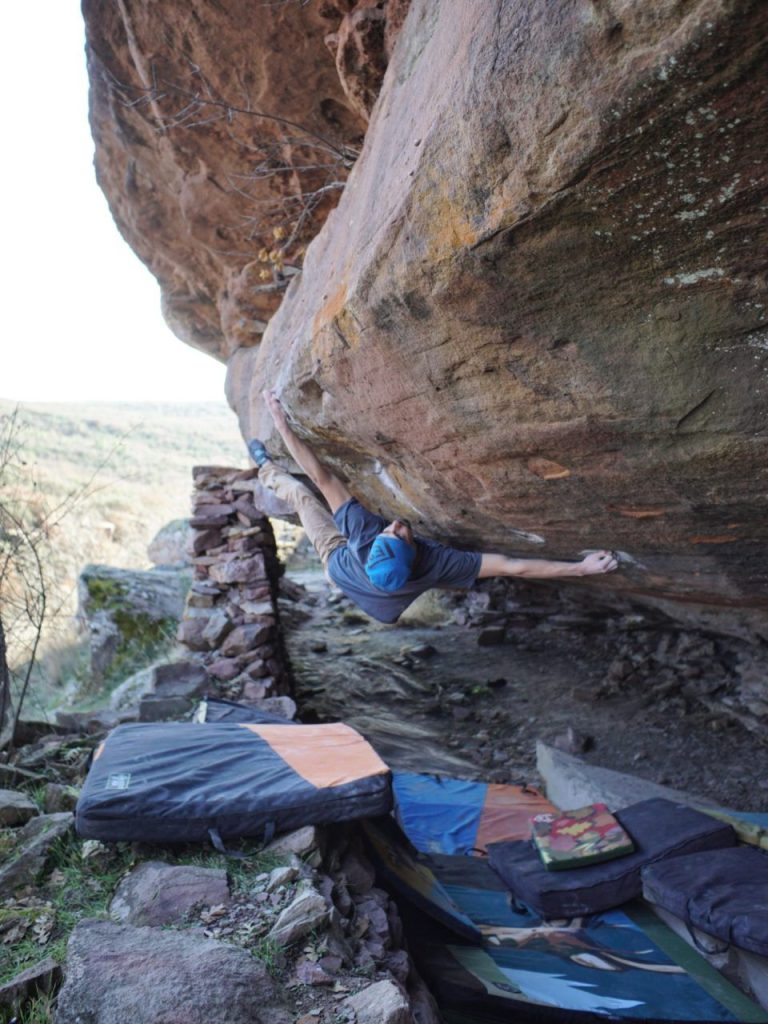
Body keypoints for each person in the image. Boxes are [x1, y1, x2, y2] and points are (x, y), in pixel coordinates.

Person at [250, 391, 618, 624]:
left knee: (302, 493)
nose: (392, 525)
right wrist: (582, 568)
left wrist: (282, 424)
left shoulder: (379, 542)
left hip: (352, 577)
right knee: (300, 494)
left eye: (390, 533)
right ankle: (266, 469)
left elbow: (323, 476)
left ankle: (267, 467)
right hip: (344, 569)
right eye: (395, 534)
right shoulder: (419, 558)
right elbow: (513, 565)